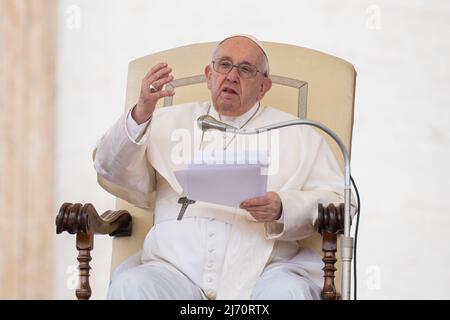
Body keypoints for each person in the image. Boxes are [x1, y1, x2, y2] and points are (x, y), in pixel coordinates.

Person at [94, 35, 346, 300]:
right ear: (209, 75)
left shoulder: (299, 133)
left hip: (265, 271)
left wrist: (284, 207)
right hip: (173, 270)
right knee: (132, 286)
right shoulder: (163, 121)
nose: (232, 76)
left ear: (264, 86)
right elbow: (109, 166)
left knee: (289, 292)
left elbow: (340, 202)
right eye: (224, 65)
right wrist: (141, 112)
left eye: (246, 69)